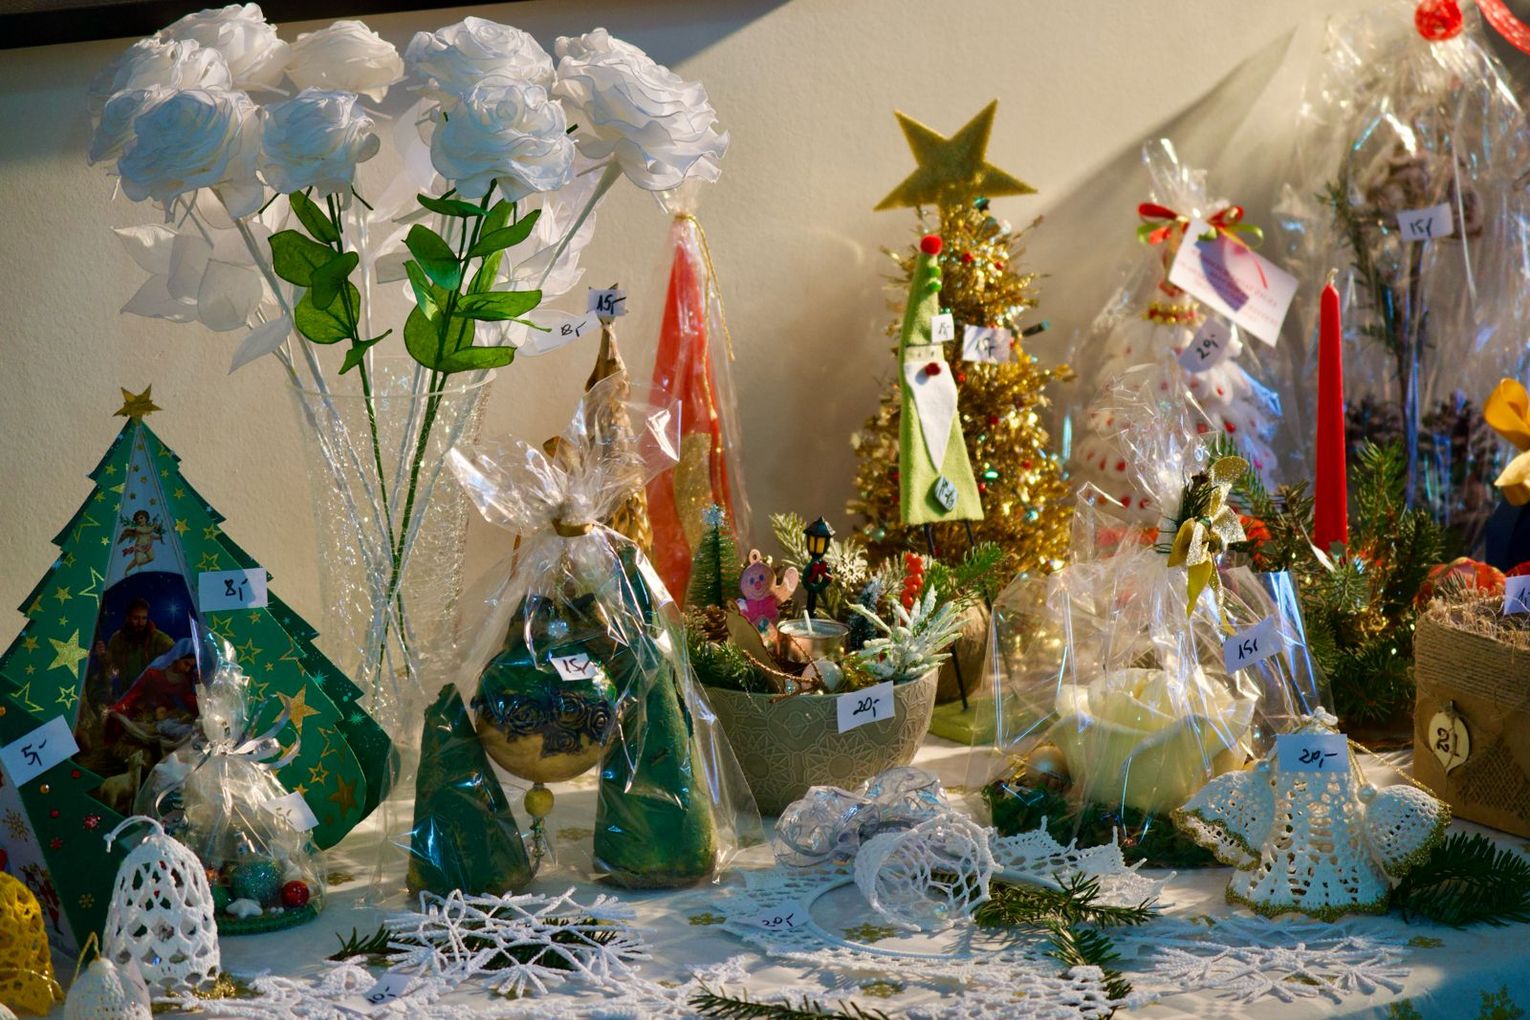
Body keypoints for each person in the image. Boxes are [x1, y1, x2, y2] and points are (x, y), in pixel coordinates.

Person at [103, 638, 201, 748]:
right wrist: (119, 708)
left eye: (191, 666)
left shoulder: (186, 680)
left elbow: (188, 701)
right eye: (186, 664)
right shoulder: (155, 672)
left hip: (170, 717)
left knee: (181, 730)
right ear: (177, 657)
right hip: (147, 713)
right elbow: (135, 692)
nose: (187, 669)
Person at [90, 597, 174, 706]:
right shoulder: (117, 639)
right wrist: (102, 655)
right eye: (136, 618)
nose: (140, 623)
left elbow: (176, 652)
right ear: (128, 618)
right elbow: (110, 666)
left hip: (153, 697)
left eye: (144, 618)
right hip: (127, 695)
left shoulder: (157, 638)